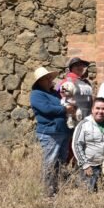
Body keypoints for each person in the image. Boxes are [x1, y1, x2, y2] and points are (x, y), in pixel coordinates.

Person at [30, 67, 73, 197]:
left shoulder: (54, 93)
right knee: (50, 161)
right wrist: (65, 109)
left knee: (60, 161)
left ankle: (56, 188)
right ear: (39, 81)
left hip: (62, 131)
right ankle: (47, 191)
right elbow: (46, 109)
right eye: (46, 78)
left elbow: (64, 102)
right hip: (49, 132)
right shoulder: (36, 94)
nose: (50, 80)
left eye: (50, 78)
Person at [72, 97, 104, 192]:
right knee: (87, 193)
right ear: (92, 109)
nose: (100, 111)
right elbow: (76, 145)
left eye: (103, 109)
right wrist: (85, 164)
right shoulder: (83, 124)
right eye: (98, 108)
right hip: (89, 165)